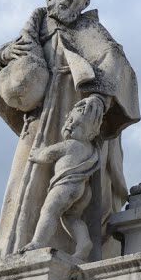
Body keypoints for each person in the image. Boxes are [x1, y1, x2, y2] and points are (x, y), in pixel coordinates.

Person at [0, 0, 140, 262]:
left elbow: (117, 63)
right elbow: (9, 62)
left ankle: (60, 246)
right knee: (23, 176)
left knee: (67, 195)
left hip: (73, 115)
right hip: (40, 117)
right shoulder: (35, 26)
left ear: (85, 2)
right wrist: (4, 55)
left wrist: (98, 97)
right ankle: (7, 245)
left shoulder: (88, 30)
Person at [21, 98, 103, 260]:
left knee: (49, 211)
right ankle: (83, 244)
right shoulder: (92, 149)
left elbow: (49, 154)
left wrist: (37, 154)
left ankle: (38, 242)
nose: (70, 125)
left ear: (91, 134)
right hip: (82, 189)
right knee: (71, 217)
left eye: (78, 125)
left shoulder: (71, 145)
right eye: (70, 120)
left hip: (64, 186)